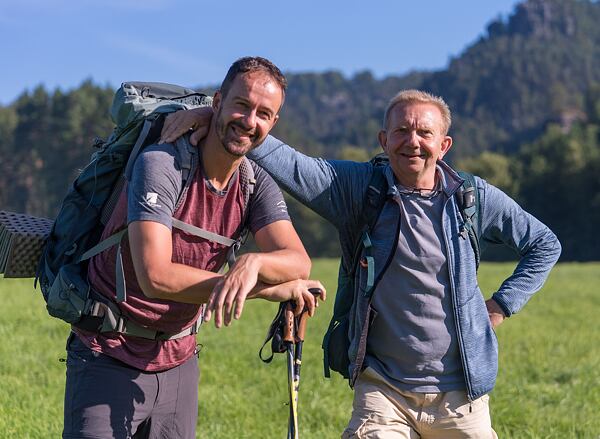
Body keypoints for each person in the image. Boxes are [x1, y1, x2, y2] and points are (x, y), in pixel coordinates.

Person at [161, 88, 561, 438]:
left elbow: (544, 244)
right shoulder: (358, 189)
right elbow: (295, 166)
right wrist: (220, 118)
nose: (413, 142)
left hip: (461, 394)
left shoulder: (472, 199)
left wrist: (501, 305)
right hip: (384, 390)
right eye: (402, 131)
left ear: (444, 145)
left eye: (425, 133)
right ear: (384, 140)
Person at [63, 56, 325, 439]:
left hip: (179, 360)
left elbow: (298, 261)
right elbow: (156, 276)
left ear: (273, 124)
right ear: (217, 102)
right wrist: (266, 288)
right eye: (241, 105)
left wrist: (252, 264)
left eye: (263, 114)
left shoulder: (255, 184)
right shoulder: (162, 164)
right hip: (109, 351)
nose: (250, 121)